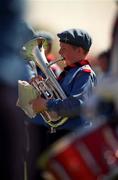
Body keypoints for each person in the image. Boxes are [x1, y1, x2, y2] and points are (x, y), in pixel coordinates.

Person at [30, 28, 97, 146]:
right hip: (59, 132)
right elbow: (55, 97)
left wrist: (46, 104)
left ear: (79, 51)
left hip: (72, 135)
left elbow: (77, 105)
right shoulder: (69, 72)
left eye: (64, 49)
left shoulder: (84, 74)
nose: (60, 52)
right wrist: (38, 88)